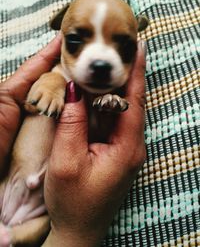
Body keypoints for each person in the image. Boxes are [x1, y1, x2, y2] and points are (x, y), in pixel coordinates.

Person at [0, 33, 147, 246]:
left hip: (44, 211)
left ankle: (8, 238)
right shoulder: (54, 74)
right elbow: (33, 103)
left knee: (35, 229)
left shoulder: (108, 92)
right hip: (6, 187)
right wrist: (51, 85)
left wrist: (109, 104)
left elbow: (99, 138)